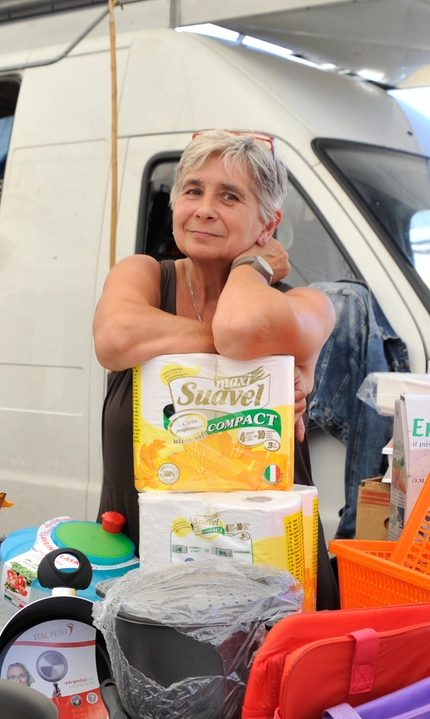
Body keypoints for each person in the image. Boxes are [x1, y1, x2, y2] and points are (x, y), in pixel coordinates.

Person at [94, 129, 340, 609]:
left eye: (229, 196)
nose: (205, 208)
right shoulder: (142, 274)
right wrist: (252, 351)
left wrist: (252, 268)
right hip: (142, 553)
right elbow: (116, 339)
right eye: (192, 190)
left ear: (269, 222)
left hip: (266, 566)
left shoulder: (309, 305)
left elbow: (242, 326)